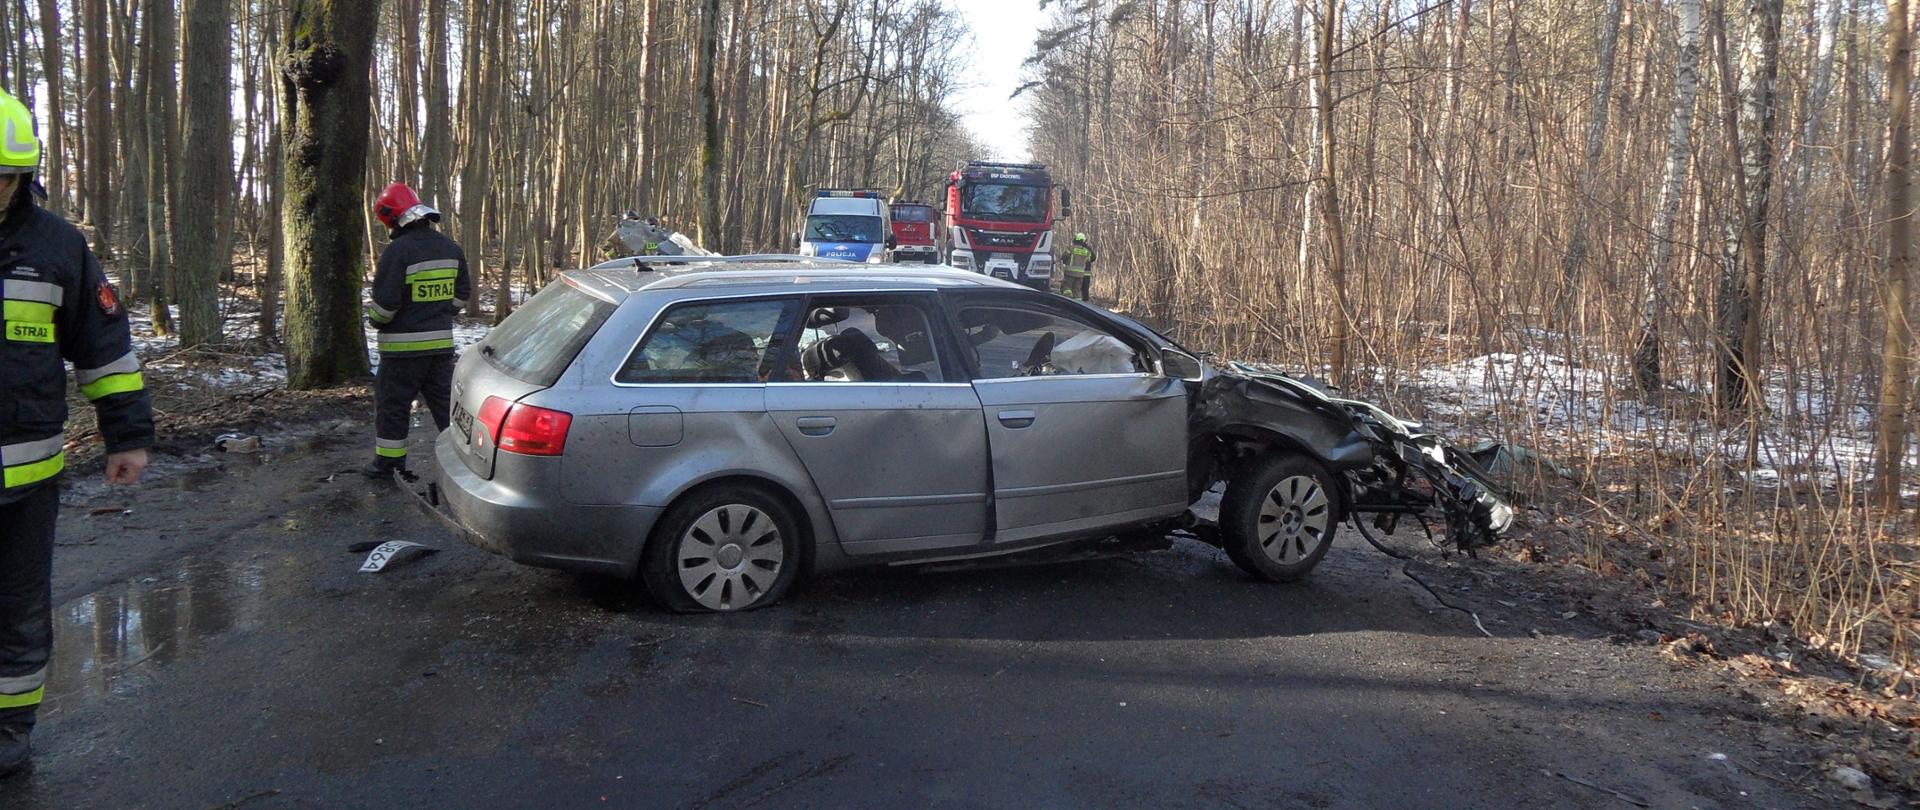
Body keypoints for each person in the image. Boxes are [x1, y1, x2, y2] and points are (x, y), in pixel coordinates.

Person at [0, 88, 153, 778]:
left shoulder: (60, 248)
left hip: (27, 482)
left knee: (20, 615)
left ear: (23, 176)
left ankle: (10, 732)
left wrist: (126, 436)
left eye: (0, 180)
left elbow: (105, 349)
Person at [364, 182, 470, 479]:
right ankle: (469, 464)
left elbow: (385, 305)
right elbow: (462, 295)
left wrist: (375, 320)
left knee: (393, 407)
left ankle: (389, 466)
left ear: (392, 218)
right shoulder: (451, 248)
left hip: (402, 353)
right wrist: (437, 312)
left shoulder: (398, 251)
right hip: (440, 349)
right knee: (446, 409)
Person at [1058, 232, 1096, 301]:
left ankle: (1068, 300)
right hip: (1080, 275)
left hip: (1070, 273)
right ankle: (1078, 304)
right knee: (1077, 291)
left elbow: (1064, 257)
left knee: (1066, 287)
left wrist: (1065, 261)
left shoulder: (1071, 248)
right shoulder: (1086, 251)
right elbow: (1091, 259)